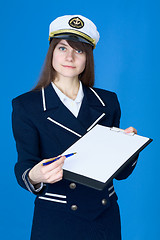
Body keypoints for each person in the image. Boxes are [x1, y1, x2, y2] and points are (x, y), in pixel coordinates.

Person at [12, 15, 138, 240]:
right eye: (62, 48)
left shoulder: (108, 102)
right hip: (56, 218)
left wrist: (129, 148)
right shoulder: (26, 105)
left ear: (87, 57)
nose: (69, 57)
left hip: (104, 215)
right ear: (52, 52)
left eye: (79, 50)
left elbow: (121, 174)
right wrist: (35, 175)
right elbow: (25, 164)